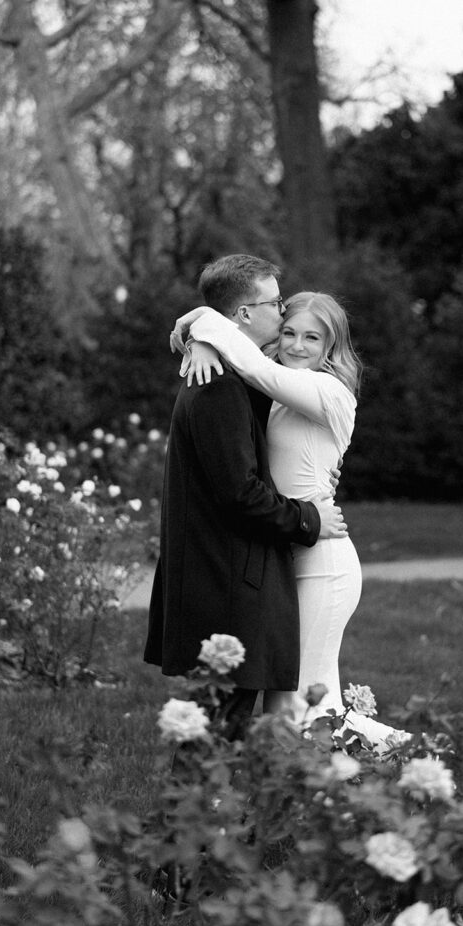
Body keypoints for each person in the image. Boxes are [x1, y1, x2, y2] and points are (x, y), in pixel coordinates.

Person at [171, 290, 398, 748]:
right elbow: (248, 365)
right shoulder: (275, 392)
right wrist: (202, 341)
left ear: (331, 347)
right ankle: (312, 806)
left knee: (299, 711)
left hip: (323, 561)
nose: (296, 345)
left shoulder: (329, 392)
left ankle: (414, 761)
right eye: (289, 331)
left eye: (312, 338)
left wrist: (201, 322)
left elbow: (256, 366)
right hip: (284, 552)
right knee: (296, 711)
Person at [143, 255, 347, 741]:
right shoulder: (217, 385)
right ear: (243, 316)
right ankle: (196, 817)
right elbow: (240, 494)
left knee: (243, 724)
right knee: (221, 730)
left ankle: (211, 815)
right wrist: (309, 518)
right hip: (230, 582)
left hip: (246, 575)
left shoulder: (240, 377)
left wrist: (200, 334)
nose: (283, 314)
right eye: (275, 304)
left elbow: (264, 377)